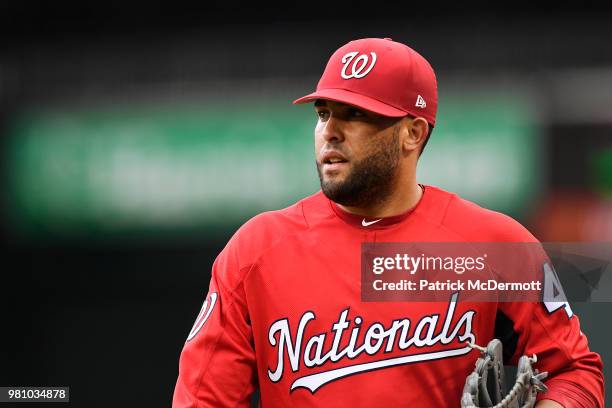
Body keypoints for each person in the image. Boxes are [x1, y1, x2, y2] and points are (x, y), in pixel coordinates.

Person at [172, 38, 604, 407]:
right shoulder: (255, 252)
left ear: (412, 132)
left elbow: (576, 372)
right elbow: (202, 398)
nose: (330, 131)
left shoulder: (495, 245)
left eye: (355, 114)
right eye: (323, 112)